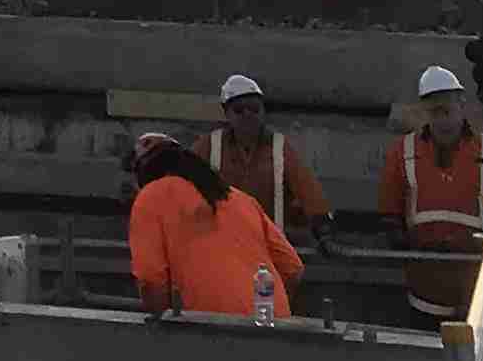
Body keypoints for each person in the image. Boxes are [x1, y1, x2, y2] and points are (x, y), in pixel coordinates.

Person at [126, 124, 305, 317]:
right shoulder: (240, 198)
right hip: (273, 321)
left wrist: (163, 318)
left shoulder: (151, 197)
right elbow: (292, 268)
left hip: (210, 327)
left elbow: (150, 278)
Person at [381, 63, 483, 319]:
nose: (442, 118)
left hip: (476, 284)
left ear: (461, 104)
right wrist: (398, 238)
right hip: (425, 284)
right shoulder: (404, 151)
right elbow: (389, 206)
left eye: (447, 109)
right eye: (434, 111)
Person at [202, 72, 335, 243]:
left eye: (254, 109)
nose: (248, 115)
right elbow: (180, 184)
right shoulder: (210, 145)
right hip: (222, 244)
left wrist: (323, 229)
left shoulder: (279, 147)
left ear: (263, 112)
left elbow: (307, 188)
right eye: (239, 110)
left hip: (268, 246)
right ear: (226, 113)